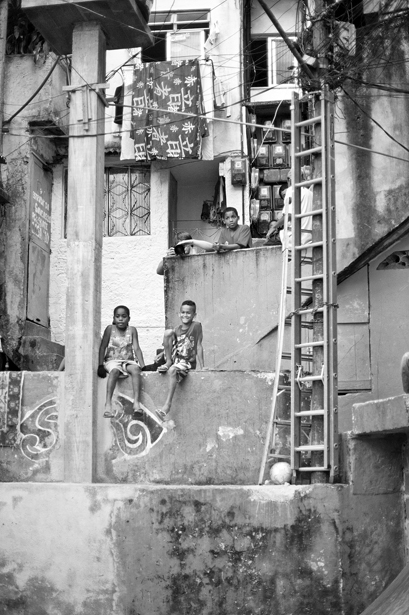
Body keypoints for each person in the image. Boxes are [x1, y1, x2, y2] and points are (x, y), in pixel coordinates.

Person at [156, 299, 204, 420]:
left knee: (172, 371)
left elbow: (199, 345)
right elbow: (173, 344)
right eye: (183, 312)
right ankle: (168, 362)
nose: (185, 315)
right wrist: (162, 354)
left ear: (194, 315)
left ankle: (167, 405)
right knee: (168, 332)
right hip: (175, 358)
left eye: (188, 313)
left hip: (186, 361)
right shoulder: (177, 329)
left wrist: (202, 367)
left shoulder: (196, 326)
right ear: (179, 314)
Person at [98, 305, 145, 418]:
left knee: (135, 369)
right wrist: (100, 365)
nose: (120, 319)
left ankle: (136, 403)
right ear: (114, 318)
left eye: (124, 316)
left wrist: (143, 366)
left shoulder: (132, 330)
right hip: (112, 361)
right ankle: (108, 404)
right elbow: (103, 347)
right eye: (117, 316)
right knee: (114, 371)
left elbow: (136, 348)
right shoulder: (110, 329)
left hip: (128, 361)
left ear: (128, 318)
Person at [265, 167, 313, 250]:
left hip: (295, 237)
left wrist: (273, 227)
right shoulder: (310, 193)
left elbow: (289, 215)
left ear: (289, 179)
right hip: (309, 237)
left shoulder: (292, 190)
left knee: (267, 243)